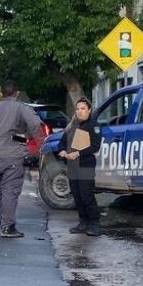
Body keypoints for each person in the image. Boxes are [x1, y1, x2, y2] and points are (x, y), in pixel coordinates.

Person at [0, 80, 44, 238]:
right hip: (13, 156)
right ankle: (7, 227)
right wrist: (41, 145)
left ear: (1, 93)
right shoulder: (21, 108)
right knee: (10, 191)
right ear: (17, 93)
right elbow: (35, 125)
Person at [58, 97, 103, 236]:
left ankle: (94, 223)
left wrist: (78, 153)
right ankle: (83, 221)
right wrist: (62, 150)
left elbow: (95, 146)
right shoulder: (72, 126)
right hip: (72, 165)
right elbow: (62, 142)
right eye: (77, 109)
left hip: (85, 164)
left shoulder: (93, 126)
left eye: (83, 108)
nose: (79, 111)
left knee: (86, 194)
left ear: (89, 110)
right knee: (76, 195)